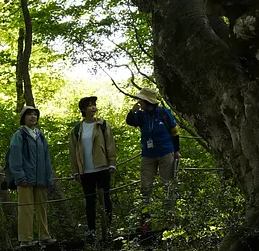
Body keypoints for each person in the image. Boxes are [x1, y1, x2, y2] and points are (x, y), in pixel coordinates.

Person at [69, 95, 118, 242]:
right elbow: (73, 151)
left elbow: (110, 144)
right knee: (90, 201)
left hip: (102, 167)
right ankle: (92, 231)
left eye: (94, 104)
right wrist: (75, 170)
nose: (93, 107)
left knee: (106, 198)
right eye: (90, 105)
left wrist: (112, 162)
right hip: (86, 170)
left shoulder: (102, 125)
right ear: (83, 109)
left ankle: (108, 228)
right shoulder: (77, 130)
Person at [125, 87, 180, 214]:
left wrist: (176, 150)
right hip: (148, 155)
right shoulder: (140, 115)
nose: (139, 103)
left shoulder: (164, 112)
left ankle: (169, 215)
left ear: (147, 101)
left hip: (166, 153)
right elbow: (130, 122)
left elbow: (175, 132)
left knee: (167, 185)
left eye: (141, 101)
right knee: (145, 186)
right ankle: (146, 217)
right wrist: (132, 111)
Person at [6, 106, 55, 245]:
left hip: (41, 179)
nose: (33, 117)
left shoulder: (40, 135)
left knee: (42, 208)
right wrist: (20, 176)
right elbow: (14, 157)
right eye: (29, 115)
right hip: (25, 179)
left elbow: (46, 158)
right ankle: (25, 240)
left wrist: (48, 178)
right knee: (25, 208)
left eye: (35, 114)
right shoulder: (19, 135)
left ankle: (44, 237)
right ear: (23, 118)